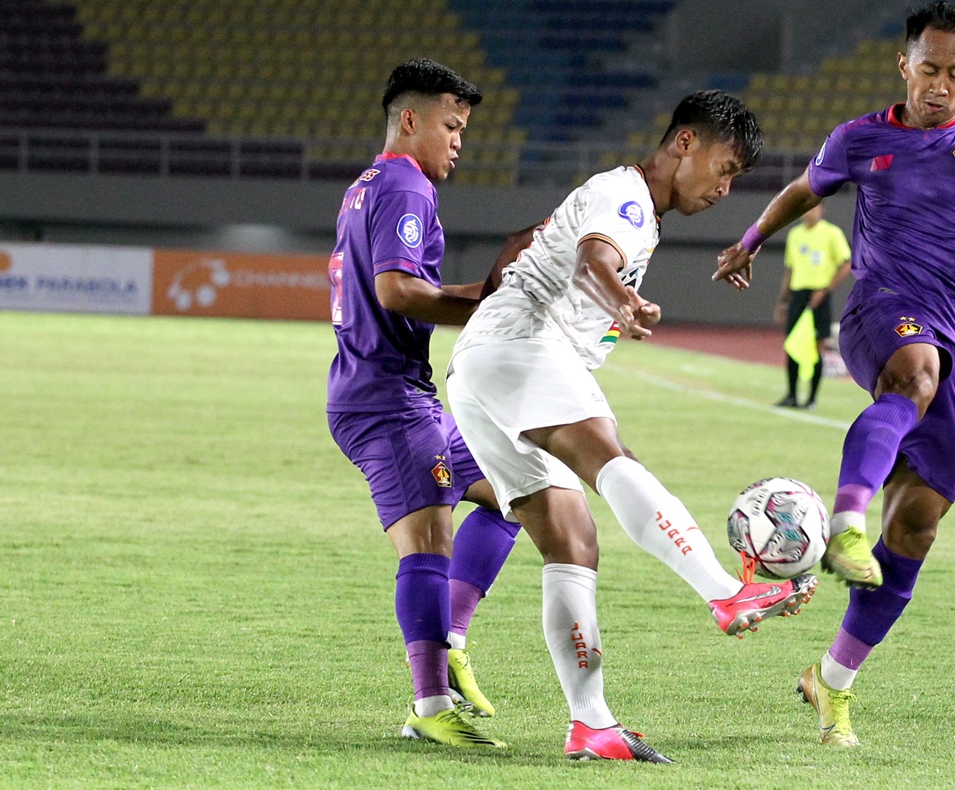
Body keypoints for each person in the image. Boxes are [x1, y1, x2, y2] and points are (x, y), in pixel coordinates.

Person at [713, 1, 955, 746]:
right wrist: (751, 239)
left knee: (917, 526)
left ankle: (831, 681)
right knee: (914, 375)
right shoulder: (860, 137)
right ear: (904, 66)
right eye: (928, 69)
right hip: (881, 311)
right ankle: (845, 521)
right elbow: (806, 189)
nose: (939, 85)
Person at [446, 91, 818, 763]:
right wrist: (624, 299)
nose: (724, 188)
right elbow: (594, 259)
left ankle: (591, 724)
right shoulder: (627, 196)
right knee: (613, 456)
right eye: (724, 168)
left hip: (479, 367)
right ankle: (725, 592)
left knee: (572, 540)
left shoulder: (624, 202)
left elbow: (527, 244)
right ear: (684, 142)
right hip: (524, 343)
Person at [326, 58, 523, 749]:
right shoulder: (407, 185)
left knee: (512, 490)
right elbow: (397, 291)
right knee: (430, 540)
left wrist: (491, 298)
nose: (460, 141)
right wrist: (493, 301)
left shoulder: (367, 184)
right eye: (452, 125)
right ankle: (430, 705)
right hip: (385, 399)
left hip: (400, 392)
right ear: (410, 120)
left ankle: (452, 640)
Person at [774, 203, 852, 409]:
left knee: (817, 347)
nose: (809, 212)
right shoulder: (794, 235)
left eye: (813, 208)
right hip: (798, 295)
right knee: (792, 344)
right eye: (806, 208)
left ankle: (811, 399)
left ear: (822, 210)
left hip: (819, 295)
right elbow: (790, 269)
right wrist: (783, 300)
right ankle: (791, 395)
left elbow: (846, 264)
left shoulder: (831, 233)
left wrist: (825, 289)